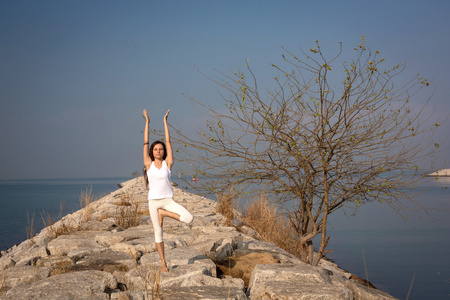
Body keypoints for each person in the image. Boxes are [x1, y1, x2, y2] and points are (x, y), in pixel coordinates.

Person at [142, 108, 193, 272]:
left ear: (163, 152)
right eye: (156, 149)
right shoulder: (148, 164)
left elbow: (169, 142)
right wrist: (147, 123)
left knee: (189, 219)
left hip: (167, 201)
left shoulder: (168, 164)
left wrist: (165, 122)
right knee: (158, 233)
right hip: (153, 202)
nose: (158, 151)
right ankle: (163, 263)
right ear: (152, 152)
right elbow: (145, 142)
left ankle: (164, 214)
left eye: (161, 149)